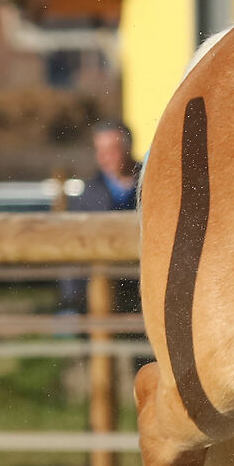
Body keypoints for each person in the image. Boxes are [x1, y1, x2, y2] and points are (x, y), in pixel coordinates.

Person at [60, 119, 141, 317]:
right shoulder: (89, 194)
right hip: (102, 293)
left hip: (143, 286)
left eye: (112, 149)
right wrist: (73, 298)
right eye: (100, 150)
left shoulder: (150, 184)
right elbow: (74, 247)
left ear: (127, 148)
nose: (104, 157)